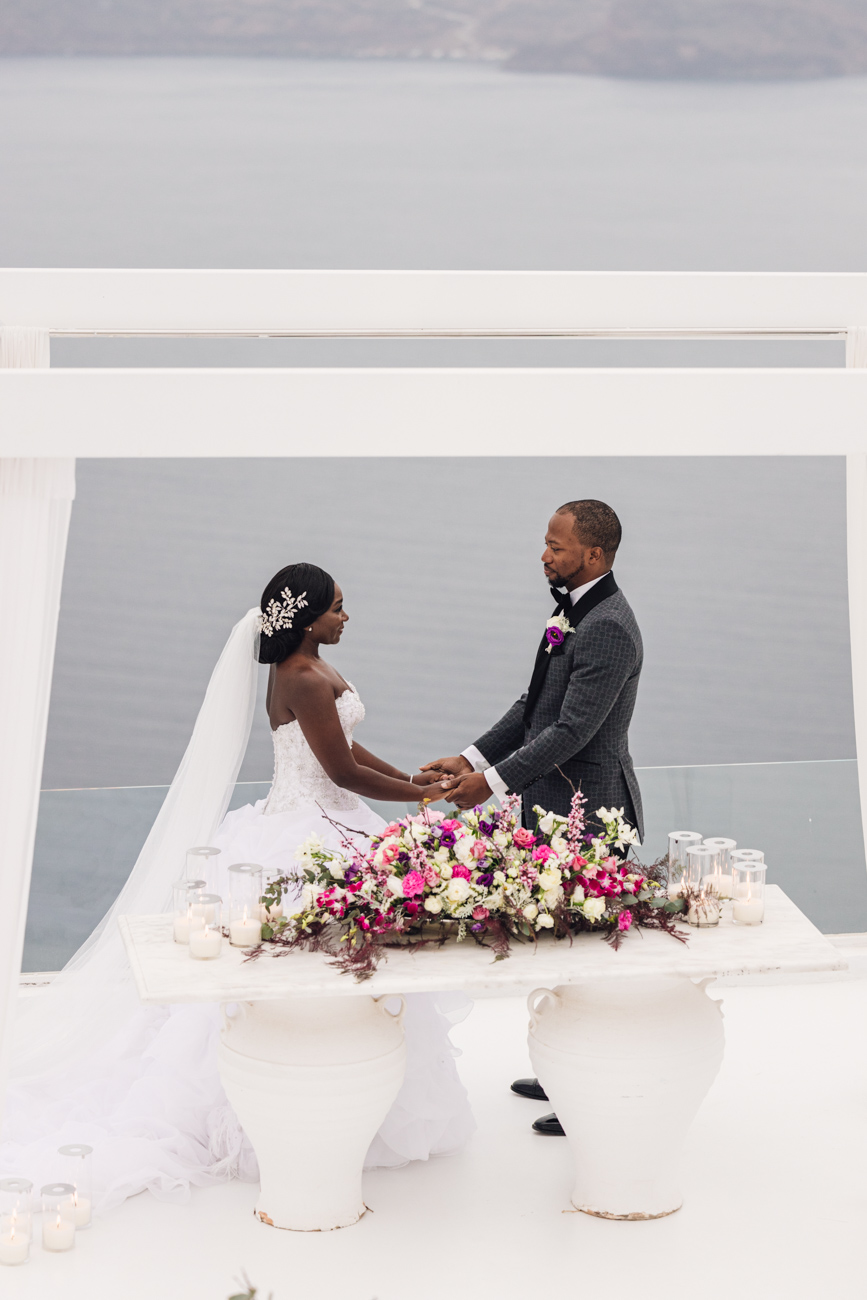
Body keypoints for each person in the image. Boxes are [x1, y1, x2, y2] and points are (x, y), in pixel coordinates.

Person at [1, 563, 474, 1209]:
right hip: (302, 828)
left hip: (330, 815)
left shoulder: (311, 669)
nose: (346, 616)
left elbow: (350, 750)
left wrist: (416, 784)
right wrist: (423, 799)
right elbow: (338, 771)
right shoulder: (302, 677)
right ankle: (295, 1089)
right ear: (307, 619)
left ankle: (347, 1084)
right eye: (337, 607)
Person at [421, 499, 643, 1137]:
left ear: (593, 555)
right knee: (559, 946)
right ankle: (560, 1066)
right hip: (554, 804)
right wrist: (469, 755)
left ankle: (589, 1091)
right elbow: (535, 704)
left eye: (556, 546)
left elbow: (572, 730)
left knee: (587, 958)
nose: (544, 555)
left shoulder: (608, 627)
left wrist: (486, 785)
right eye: (545, 543)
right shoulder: (570, 611)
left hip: (592, 813)